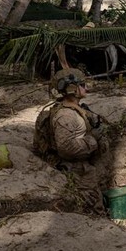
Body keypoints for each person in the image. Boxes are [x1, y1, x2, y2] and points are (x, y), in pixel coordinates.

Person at [33, 68, 108, 215]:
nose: (86, 87)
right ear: (72, 88)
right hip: (77, 172)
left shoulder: (71, 109)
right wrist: (92, 140)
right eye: (82, 84)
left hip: (81, 170)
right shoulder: (66, 116)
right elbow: (66, 147)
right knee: (93, 211)